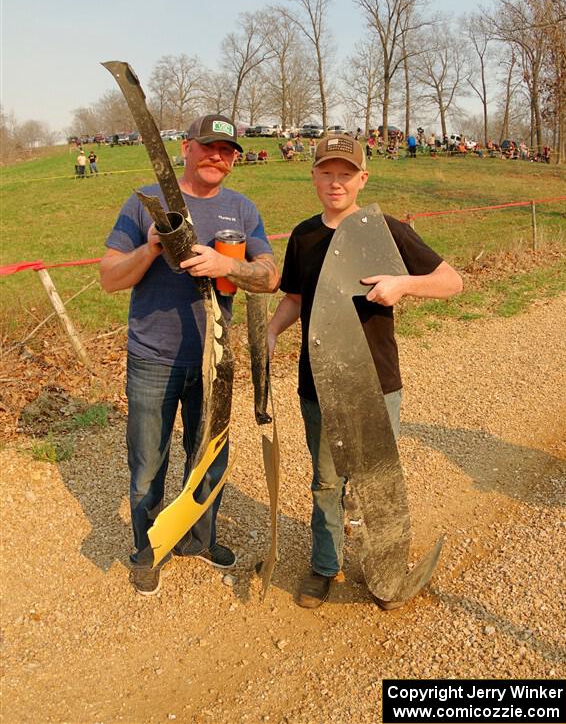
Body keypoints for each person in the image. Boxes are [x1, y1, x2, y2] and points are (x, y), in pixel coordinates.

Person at [267, 134, 462, 609]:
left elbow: (451, 281)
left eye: (346, 174)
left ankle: (387, 571)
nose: (336, 182)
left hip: (376, 381)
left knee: (377, 480)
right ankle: (324, 566)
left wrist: (404, 284)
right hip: (318, 381)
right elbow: (294, 299)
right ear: (313, 176)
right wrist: (271, 334)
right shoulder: (303, 235)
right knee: (327, 481)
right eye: (326, 172)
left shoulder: (385, 230)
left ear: (362, 179)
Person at [100, 114, 280, 596]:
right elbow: (109, 277)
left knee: (209, 459)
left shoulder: (242, 209)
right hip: (152, 355)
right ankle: (148, 550)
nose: (217, 156)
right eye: (208, 147)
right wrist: (152, 250)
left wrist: (227, 265)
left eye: (227, 150)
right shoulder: (146, 205)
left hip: (214, 360)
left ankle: (197, 541)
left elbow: (269, 276)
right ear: (186, 149)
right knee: (146, 465)